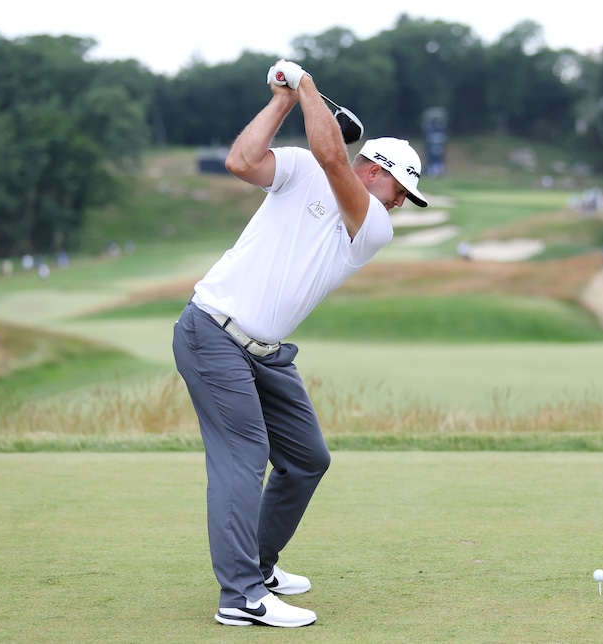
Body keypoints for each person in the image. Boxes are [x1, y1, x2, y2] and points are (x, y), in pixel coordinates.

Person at [172, 59, 428, 629]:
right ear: (374, 170)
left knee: (307, 458)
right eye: (398, 189)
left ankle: (258, 566)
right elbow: (241, 161)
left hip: (263, 351)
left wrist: (307, 84)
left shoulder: (371, 224)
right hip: (212, 331)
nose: (399, 204)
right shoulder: (301, 168)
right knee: (244, 458)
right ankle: (239, 597)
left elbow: (334, 158)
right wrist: (283, 101)